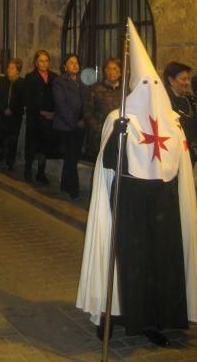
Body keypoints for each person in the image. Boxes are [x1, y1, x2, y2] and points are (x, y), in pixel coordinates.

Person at [77, 19, 197, 347]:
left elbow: (181, 165)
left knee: (158, 264)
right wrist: (119, 135)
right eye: (143, 85)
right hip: (127, 204)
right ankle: (110, 314)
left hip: (162, 205)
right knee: (123, 262)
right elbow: (107, 163)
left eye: (154, 85)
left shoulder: (172, 122)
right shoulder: (118, 117)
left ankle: (155, 319)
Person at [53, 54, 86, 199]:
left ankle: (65, 185)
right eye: (71, 63)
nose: (75, 65)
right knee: (71, 157)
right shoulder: (60, 82)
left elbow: (87, 102)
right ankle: (74, 188)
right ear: (65, 66)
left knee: (73, 157)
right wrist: (74, 122)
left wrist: (84, 119)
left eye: (76, 62)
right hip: (66, 126)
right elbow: (61, 105)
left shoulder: (82, 81)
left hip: (80, 125)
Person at [24, 50, 58, 183]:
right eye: (41, 61)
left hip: (49, 119)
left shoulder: (54, 77)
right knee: (32, 145)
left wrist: (54, 112)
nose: (44, 63)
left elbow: (57, 97)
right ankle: (27, 171)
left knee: (45, 146)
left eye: (46, 61)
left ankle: (41, 172)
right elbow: (27, 100)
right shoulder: (30, 77)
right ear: (36, 63)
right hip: (35, 118)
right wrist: (41, 112)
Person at [83, 58, 122, 163]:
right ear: (104, 71)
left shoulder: (125, 91)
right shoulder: (95, 89)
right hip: (100, 136)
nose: (111, 72)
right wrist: (99, 129)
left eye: (114, 69)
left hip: (119, 136)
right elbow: (87, 112)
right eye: (108, 69)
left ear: (119, 72)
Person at [164, 61, 197, 167]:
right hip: (173, 156)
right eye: (183, 79)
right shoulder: (164, 101)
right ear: (171, 80)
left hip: (189, 154)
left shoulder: (189, 100)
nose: (187, 83)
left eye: (188, 79)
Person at [0, 58, 24, 170]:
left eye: (12, 68)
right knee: (0, 138)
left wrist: (12, 109)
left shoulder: (22, 83)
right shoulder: (1, 81)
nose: (8, 70)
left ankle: (10, 162)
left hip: (15, 116)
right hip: (2, 115)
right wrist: (4, 108)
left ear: (17, 70)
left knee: (12, 139)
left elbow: (21, 99)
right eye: (8, 67)